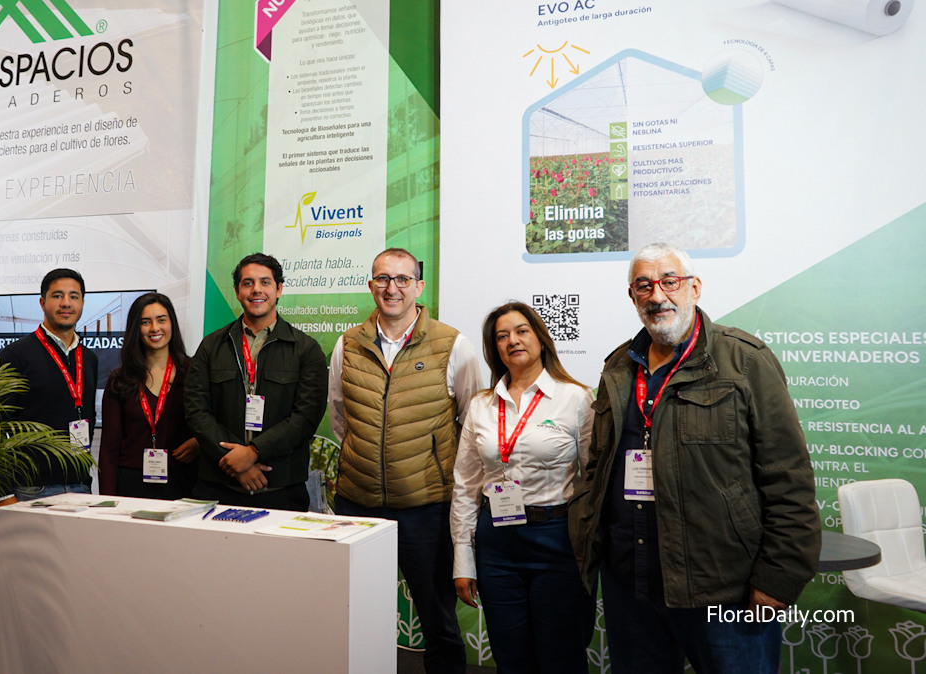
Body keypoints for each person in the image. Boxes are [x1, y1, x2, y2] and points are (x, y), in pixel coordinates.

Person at [568, 243, 820, 674]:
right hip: (632, 583)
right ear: (632, 296)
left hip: (723, 586)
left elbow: (788, 476)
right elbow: (599, 466)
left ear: (694, 287)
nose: (657, 295)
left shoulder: (744, 360)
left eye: (669, 281)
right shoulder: (619, 366)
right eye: (644, 286)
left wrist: (778, 578)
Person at [328, 248, 482, 674]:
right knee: (356, 613)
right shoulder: (348, 344)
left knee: (437, 619)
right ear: (370, 285)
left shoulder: (453, 344)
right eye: (382, 278)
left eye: (402, 279)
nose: (391, 288)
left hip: (426, 507)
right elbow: (340, 417)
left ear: (419, 286)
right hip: (358, 503)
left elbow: (471, 424)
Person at [450, 302, 594, 673]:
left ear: (541, 339)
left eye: (521, 331)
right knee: (510, 654)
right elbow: (466, 485)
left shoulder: (575, 398)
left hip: (555, 538)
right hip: (496, 543)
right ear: (495, 348)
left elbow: (593, 478)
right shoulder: (481, 405)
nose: (512, 340)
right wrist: (463, 558)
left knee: (561, 654)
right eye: (502, 336)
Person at [183, 253, 327, 511]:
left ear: (279, 289)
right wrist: (235, 462)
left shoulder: (305, 349)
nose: (256, 289)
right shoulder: (211, 346)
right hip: (217, 487)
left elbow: (306, 417)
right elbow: (196, 410)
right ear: (237, 292)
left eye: (265, 282)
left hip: (281, 490)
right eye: (247, 283)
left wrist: (253, 452)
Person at [0, 268, 98, 501]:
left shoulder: (89, 358)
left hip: (80, 487)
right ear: (42, 303)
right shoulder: (15, 355)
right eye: (57, 296)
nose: (66, 303)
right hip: (31, 489)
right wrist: (2, 494)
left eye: (74, 296)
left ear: (82, 303)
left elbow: (88, 417)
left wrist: (85, 479)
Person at [98, 292, 199, 498]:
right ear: (136, 328)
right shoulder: (120, 379)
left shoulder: (194, 372)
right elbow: (109, 448)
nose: (154, 328)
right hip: (131, 485)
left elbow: (216, 421)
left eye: (161, 320)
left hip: (184, 481)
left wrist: (199, 442)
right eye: (145, 322)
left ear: (172, 323)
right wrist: (107, 499)